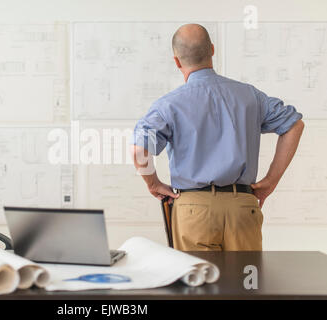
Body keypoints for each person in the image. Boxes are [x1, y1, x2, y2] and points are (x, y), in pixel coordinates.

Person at [130, 24, 304, 251]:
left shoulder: (168, 105)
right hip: (242, 207)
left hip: (193, 210)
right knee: (246, 284)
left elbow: (139, 151)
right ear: (212, 50)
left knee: (198, 285)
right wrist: (270, 181)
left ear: (176, 61)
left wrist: (153, 184)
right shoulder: (249, 95)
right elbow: (294, 125)